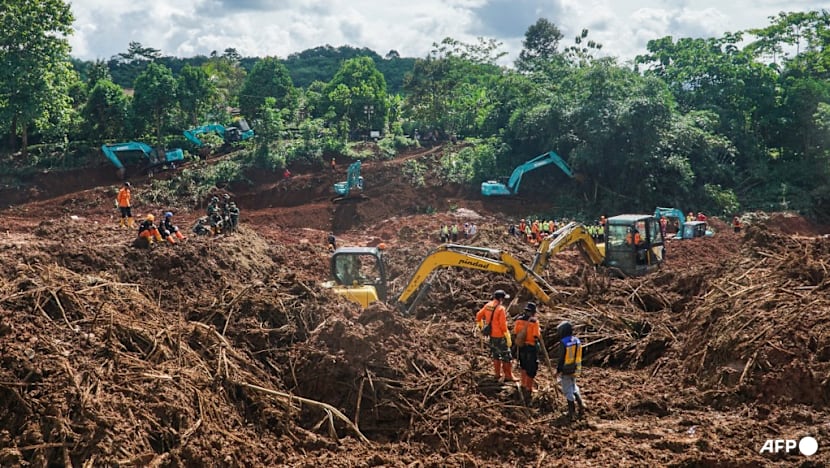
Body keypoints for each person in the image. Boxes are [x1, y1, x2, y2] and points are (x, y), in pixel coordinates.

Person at [475, 290, 516, 382]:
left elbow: (478, 315)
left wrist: (481, 324)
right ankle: (508, 376)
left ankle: (497, 374)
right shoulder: (501, 309)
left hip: (491, 336)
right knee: (506, 356)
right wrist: (507, 335)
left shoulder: (488, 305)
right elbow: (502, 325)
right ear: (501, 299)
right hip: (500, 336)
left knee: (496, 355)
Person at [554, 320, 586, 421]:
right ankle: (581, 404)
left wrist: (558, 370)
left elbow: (561, 358)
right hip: (576, 368)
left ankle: (571, 412)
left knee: (567, 390)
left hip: (566, 369)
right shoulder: (576, 340)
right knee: (574, 386)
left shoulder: (564, 342)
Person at [513, 302, 541, 401]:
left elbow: (515, 333)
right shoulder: (534, 322)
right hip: (530, 347)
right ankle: (529, 388)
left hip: (522, 347)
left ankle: (523, 384)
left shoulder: (518, 320)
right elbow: (535, 336)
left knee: (523, 365)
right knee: (531, 368)